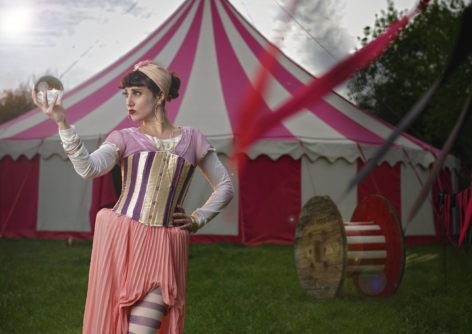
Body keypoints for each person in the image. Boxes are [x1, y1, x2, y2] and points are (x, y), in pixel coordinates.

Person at [32, 60, 234, 334]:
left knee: (142, 329)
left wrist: (198, 219)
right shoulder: (124, 138)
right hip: (121, 243)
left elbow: (225, 187)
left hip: (163, 247)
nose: (129, 101)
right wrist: (63, 123)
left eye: (137, 92)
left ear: (160, 95)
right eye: (126, 94)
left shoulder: (193, 140)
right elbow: (88, 168)